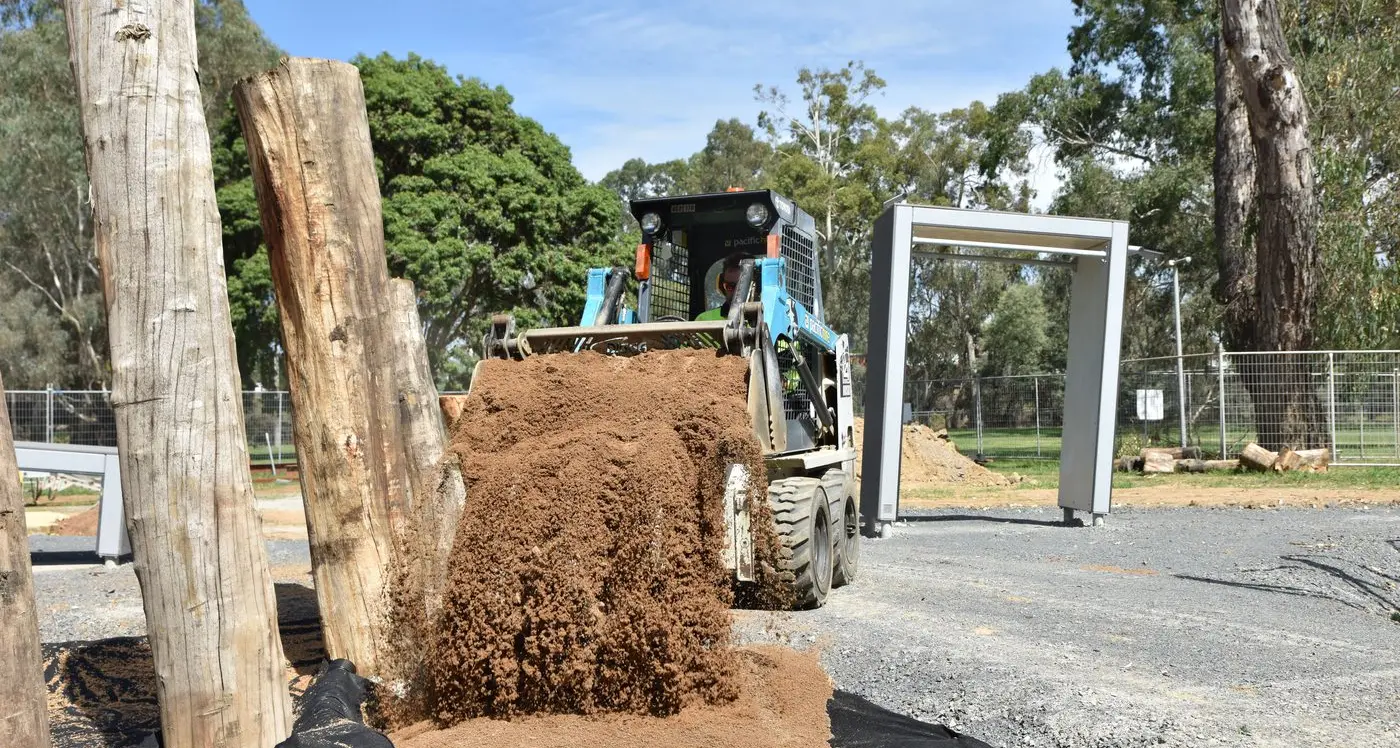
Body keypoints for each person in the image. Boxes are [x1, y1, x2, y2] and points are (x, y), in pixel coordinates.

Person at [696, 253, 746, 321]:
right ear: (722, 287)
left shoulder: (765, 318)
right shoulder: (703, 320)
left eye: (741, 287)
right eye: (729, 286)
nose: (736, 292)